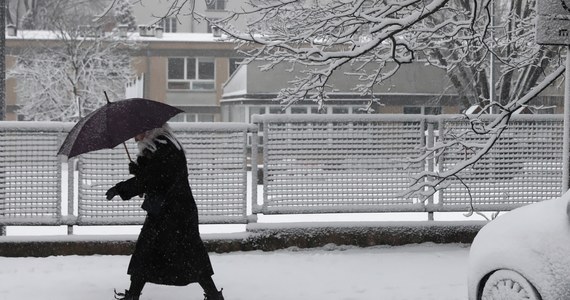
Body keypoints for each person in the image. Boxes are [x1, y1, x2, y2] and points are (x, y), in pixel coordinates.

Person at [106, 123, 224, 300]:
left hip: (175, 212)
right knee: (152, 251)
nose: (133, 137)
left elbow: (155, 178)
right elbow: (155, 177)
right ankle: (133, 294)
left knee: (186, 253)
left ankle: (214, 295)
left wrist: (123, 188)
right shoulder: (162, 146)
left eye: (136, 131)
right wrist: (140, 171)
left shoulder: (164, 146)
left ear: (149, 129)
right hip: (168, 209)